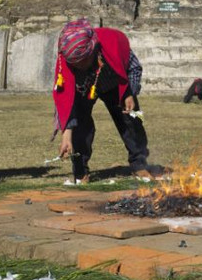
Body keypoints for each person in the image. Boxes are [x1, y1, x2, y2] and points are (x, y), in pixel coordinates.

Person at [52, 18, 152, 183]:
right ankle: (80, 172)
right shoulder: (66, 60)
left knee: (133, 119)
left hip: (115, 84)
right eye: (75, 64)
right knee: (80, 128)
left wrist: (129, 93)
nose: (79, 66)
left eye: (83, 61)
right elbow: (64, 102)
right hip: (83, 90)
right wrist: (66, 136)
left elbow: (134, 67)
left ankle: (139, 164)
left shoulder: (111, 41)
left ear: (92, 51)